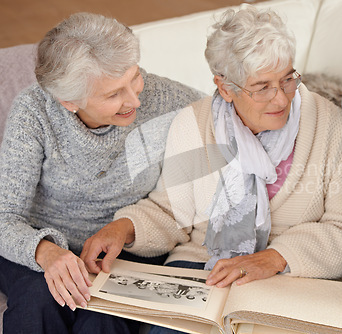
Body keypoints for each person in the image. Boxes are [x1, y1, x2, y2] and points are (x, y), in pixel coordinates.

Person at [81, 5, 342, 334]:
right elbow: (170, 211)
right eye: (262, 87)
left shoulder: (328, 123)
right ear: (225, 87)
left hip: (295, 274)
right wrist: (124, 228)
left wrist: (276, 256)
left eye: (287, 79)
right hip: (202, 267)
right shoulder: (192, 123)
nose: (280, 100)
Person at [0, 12, 203, 334]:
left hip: (126, 249)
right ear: (68, 101)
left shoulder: (177, 103)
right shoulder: (34, 111)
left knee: (104, 320)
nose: (135, 99)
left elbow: (229, 131)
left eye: (135, 77)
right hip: (40, 244)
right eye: (113, 94)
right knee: (36, 301)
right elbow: (4, 216)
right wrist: (46, 251)